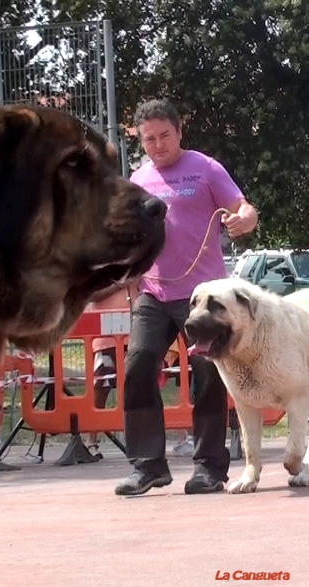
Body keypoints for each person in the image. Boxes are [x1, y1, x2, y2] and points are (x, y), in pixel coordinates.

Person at [115, 98, 258, 496]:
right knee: (138, 366)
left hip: (204, 298)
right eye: (149, 139)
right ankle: (147, 467)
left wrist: (243, 219)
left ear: (179, 131)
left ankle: (209, 468)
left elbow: (244, 209)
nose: (157, 145)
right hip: (153, 292)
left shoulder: (206, 168)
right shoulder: (137, 180)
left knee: (209, 375)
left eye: (164, 135)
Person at [86, 282, 138, 458]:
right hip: (105, 335)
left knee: (136, 387)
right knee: (101, 387)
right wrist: (120, 283)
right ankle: (90, 440)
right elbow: (92, 292)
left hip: (133, 335)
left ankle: (136, 438)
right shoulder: (102, 263)